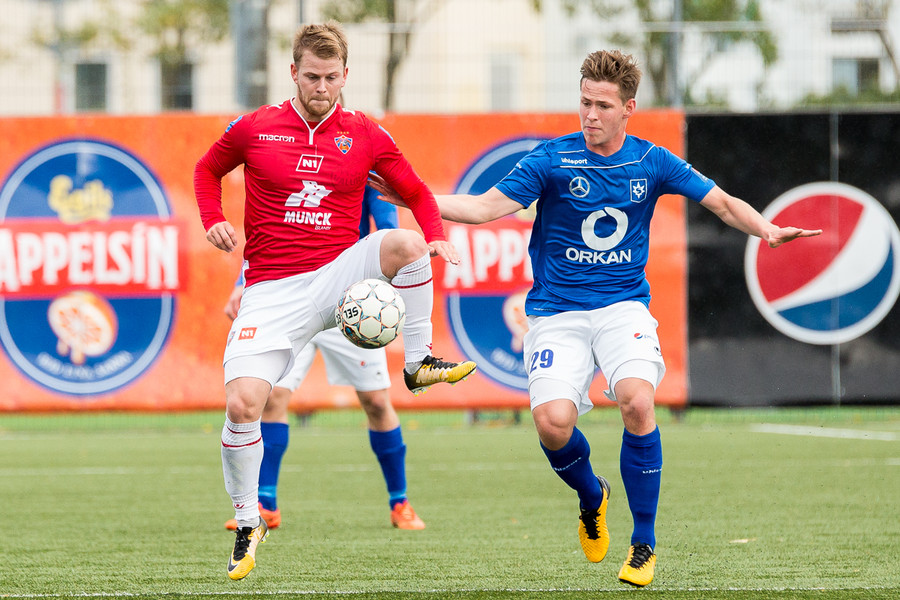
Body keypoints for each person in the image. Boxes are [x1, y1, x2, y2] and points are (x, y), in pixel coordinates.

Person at [371, 49, 821, 587]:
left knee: (637, 400)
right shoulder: (551, 159)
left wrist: (766, 229)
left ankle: (643, 543)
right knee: (552, 424)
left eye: (602, 106)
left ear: (628, 107)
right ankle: (592, 495)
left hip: (622, 307)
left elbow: (722, 203)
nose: (590, 114)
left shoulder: (652, 161)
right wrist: (415, 197)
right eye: (584, 102)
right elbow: (485, 207)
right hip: (556, 313)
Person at [193, 21, 477, 581]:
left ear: (346, 75)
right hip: (271, 290)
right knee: (244, 406)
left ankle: (418, 361)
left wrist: (436, 233)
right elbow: (206, 170)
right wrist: (212, 218)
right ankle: (250, 519)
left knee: (407, 245)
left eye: (331, 77)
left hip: (339, 279)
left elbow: (415, 191)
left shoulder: (365, 133)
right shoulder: (255, 127)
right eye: (311, 76)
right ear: (293, 73)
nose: (321, 87)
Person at [221, 188, 426, 533]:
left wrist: (390, 276)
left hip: (349, 302)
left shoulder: (360, 163)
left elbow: (387, 226)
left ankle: (400, 502)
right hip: (289, 298)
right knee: (273, 397)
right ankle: (266, 504)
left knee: (376, 402)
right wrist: (243, 281)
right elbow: (267, 228)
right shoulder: (290, 166)